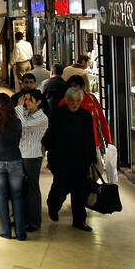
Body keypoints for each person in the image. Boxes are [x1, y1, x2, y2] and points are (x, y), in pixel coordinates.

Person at [43, 86, 97, 231]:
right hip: (62, 161)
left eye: (78, 101)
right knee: (60, 188)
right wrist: (51, 154)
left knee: (79, 191)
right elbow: (49, 137)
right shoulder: (58, 115)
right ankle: (53, 205)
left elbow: (90, 139)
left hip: (80, 161)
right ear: (66, 100)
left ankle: (79, 221)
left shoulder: (85, 116)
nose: (75, 104)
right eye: (72, 101)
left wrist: (92, 158)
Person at [0, 92, 27, 240]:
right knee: (17, 197)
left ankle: (5, 231)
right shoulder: (17, 123)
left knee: (1, 197)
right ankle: (21, 232)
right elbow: (18, 139)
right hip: (15, 161)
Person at [15, 89, 49, 232]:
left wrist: (18, 106)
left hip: (32, 156)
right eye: (25, 99)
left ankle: (34, 222)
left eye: (29, 100)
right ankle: (23, 219)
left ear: (39, 102)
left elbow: (23, 125)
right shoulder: (28, 113)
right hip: (22, 153)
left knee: (32, 189)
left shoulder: (42, 118)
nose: (26, 102)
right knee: (22, 188)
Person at [68, 74, 112, 148]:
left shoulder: (91, 99)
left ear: (82, 87)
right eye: (70, 87)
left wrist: (108, 140)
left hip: (93, 143)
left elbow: (101, 119)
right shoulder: (64, 102)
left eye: (75, 86)